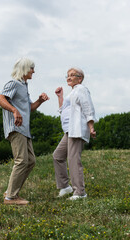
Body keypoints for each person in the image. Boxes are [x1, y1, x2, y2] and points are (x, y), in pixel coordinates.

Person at [0, 57, 49, 205]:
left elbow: (29, 108)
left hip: (24, 129)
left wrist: (39, 101)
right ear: (25, 69)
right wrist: (14, 110)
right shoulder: (13, 83)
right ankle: (11, 197)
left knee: (30, 161)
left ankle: (11, 191)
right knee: (21, 161)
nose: (34, 71)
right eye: (32, 68)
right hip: (16, 127)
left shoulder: (23, 86)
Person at [53, 67, 96, 200]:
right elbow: (63, 110)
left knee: (73, 160)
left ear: (80, 78)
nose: (69, 77)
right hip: (68, 131)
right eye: (68, 75)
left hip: (76, 130)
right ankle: (65, 187)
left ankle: (80, 192)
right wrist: (60, 96)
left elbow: (88, 107)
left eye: (72, 75)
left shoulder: (81, 90)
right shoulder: (72, 93)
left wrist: (91, 127)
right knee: (58, 156)